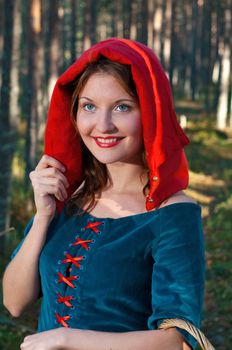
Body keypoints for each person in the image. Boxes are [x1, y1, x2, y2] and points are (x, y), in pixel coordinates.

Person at [3, 38, 205, 350]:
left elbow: (174, 340)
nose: (103, 125)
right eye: (89, 107)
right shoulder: (69, 199)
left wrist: (66, 337)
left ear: (151, 114)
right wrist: (43, 217)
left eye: (122, 107)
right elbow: (14, 302)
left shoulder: (173, 215)